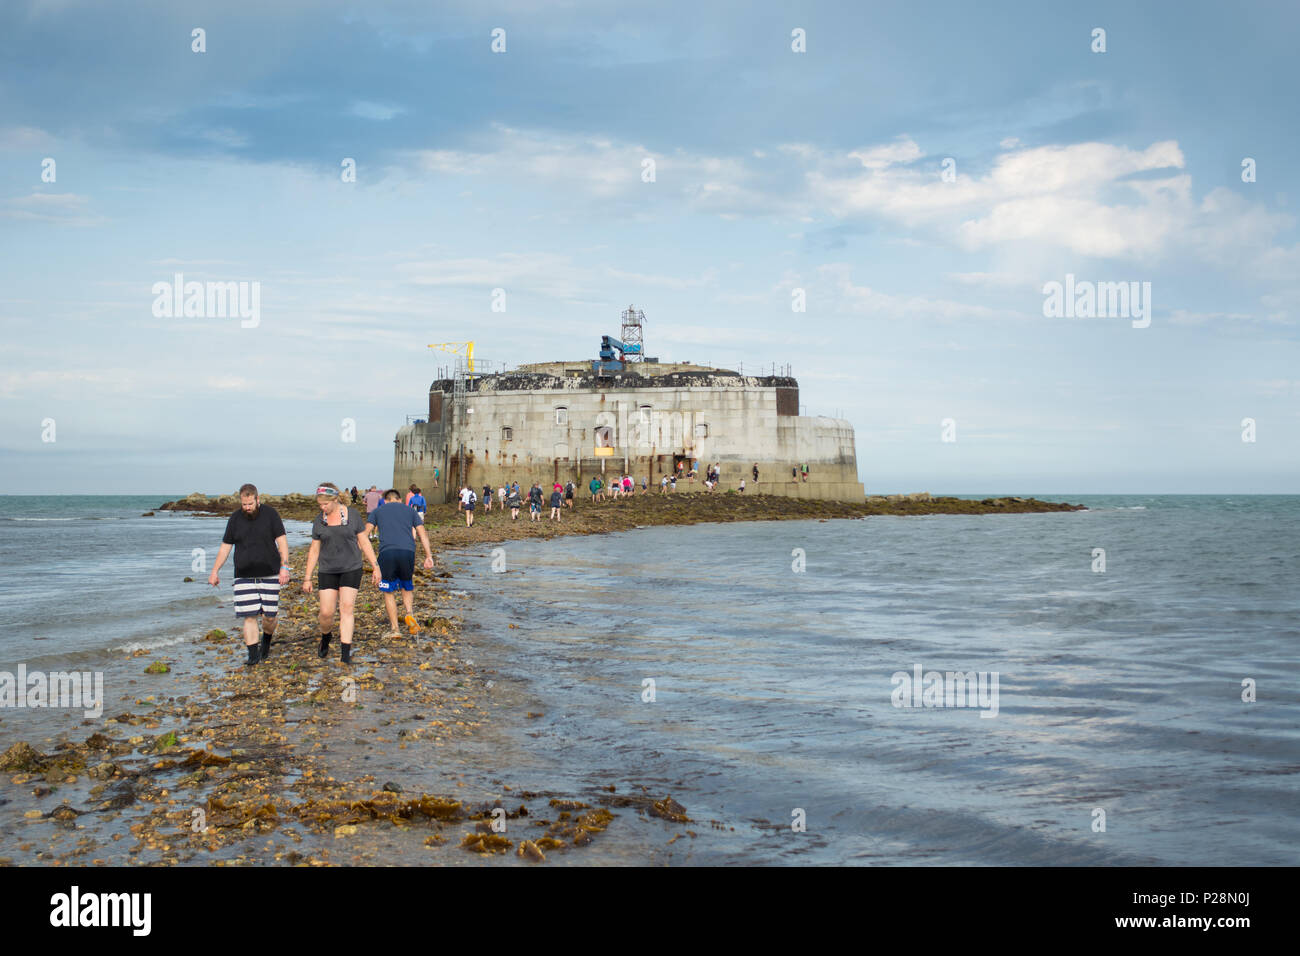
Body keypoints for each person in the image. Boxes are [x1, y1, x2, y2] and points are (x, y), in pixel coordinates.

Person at [209, 483, 289, 666]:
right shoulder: (235, 519)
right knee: (249, 615)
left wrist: (285, 567)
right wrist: (215, 571)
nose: (247, 508)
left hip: (269, 573)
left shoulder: (270, 515)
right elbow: (225, 547)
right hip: (243, 575)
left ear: (257, 500)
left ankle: (266, 641)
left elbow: (282, 541)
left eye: (250, 504)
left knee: (269, 617)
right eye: (244, 504)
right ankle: (253, 657)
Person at [303, 483, 381, 664]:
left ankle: (345, 654)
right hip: (327, 569)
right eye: (320, 505)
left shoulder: (352, 515)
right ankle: (326, 636)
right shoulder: (319, 520)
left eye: (325, 504)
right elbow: (314, 550)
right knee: (326, 613)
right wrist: (307, 577)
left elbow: (364, 542)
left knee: (347, 608)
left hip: (351, 568)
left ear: (335, 499)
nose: (323, 508)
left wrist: (375, 566)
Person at [366, 489, 435, 639]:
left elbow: (365, 535)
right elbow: (422, 533)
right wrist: (429, 556)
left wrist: (371, 562)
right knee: (406, 585)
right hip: (407, 552)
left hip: (387, 553)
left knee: (388, 591)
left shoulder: (378, 511)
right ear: (399, 499)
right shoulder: (410, 511)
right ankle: (409, 614)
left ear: (385, 500)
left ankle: (395, 629)